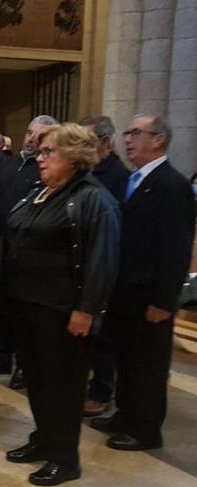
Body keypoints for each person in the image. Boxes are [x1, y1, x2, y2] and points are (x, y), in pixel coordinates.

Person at [1, 123, 120, 486]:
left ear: (75, 156)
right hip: (28, 305)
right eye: (39, 151)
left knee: (63, 386)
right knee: (37, 380)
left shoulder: (92, 198)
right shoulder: (41, 191)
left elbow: (103, 260)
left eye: (49, 151)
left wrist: (86, 309)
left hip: (63, 312)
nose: (40, 157)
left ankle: (65, 458)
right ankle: (44, 438)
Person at [91, 114, 195, 452]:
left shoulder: (172, 185)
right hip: (126, 292)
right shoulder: (133, 179)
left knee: (148, 365)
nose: (128, 139)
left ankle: (147, 429)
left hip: (151, 296)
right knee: (128, 359)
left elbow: (175, 250)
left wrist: (164, 302)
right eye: (127, 132)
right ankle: (125, 415)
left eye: (136, 132)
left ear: (159, 139)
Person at [0, 114, 59, 389]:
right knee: (1, 307)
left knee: (21, 313)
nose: (30, 139)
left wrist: (5, 245)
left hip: (20, 252)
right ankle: (1, 356)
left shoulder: (44, 171)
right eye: (29, 132)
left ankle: (23, 366)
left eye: (39, 136)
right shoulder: (10, 163)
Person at [78, 114, 130, 416]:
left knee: (104, 336)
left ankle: (101, 390)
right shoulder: (90, 172)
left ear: (106, 142)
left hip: (106, 266)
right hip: (83, 266)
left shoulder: (116, 177)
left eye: (87, 142)